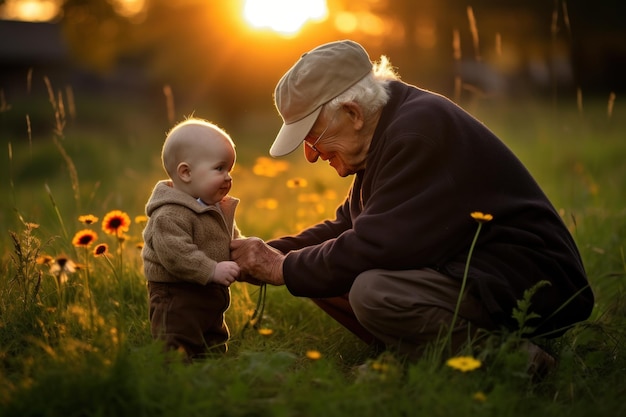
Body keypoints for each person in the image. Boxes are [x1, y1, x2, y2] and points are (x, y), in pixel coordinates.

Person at [231, 40, 594, 363]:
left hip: (526, 284)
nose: (311, 156)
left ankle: (517, 363)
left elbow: (373, 246)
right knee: (317, 270)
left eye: (313, 137)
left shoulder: (417, 133)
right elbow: (347, 226)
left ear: (353, 113)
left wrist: (281, 268)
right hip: (474, 273)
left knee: (372, 291)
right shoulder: (384, 130)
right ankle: (412, 355)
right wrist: (260, 256)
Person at [142, 117, 241, 361]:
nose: (228, 177)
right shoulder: (169, 213)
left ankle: (211, 376)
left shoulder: (212, 205)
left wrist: (243, 250)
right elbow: (176, 254)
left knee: (213, 340)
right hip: (176, 295)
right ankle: (176, 383)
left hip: (208, 291)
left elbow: (227, 235)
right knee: (177, 343)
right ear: (186, 172)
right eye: (220, 169)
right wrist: (212, 269)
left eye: (230, 169)